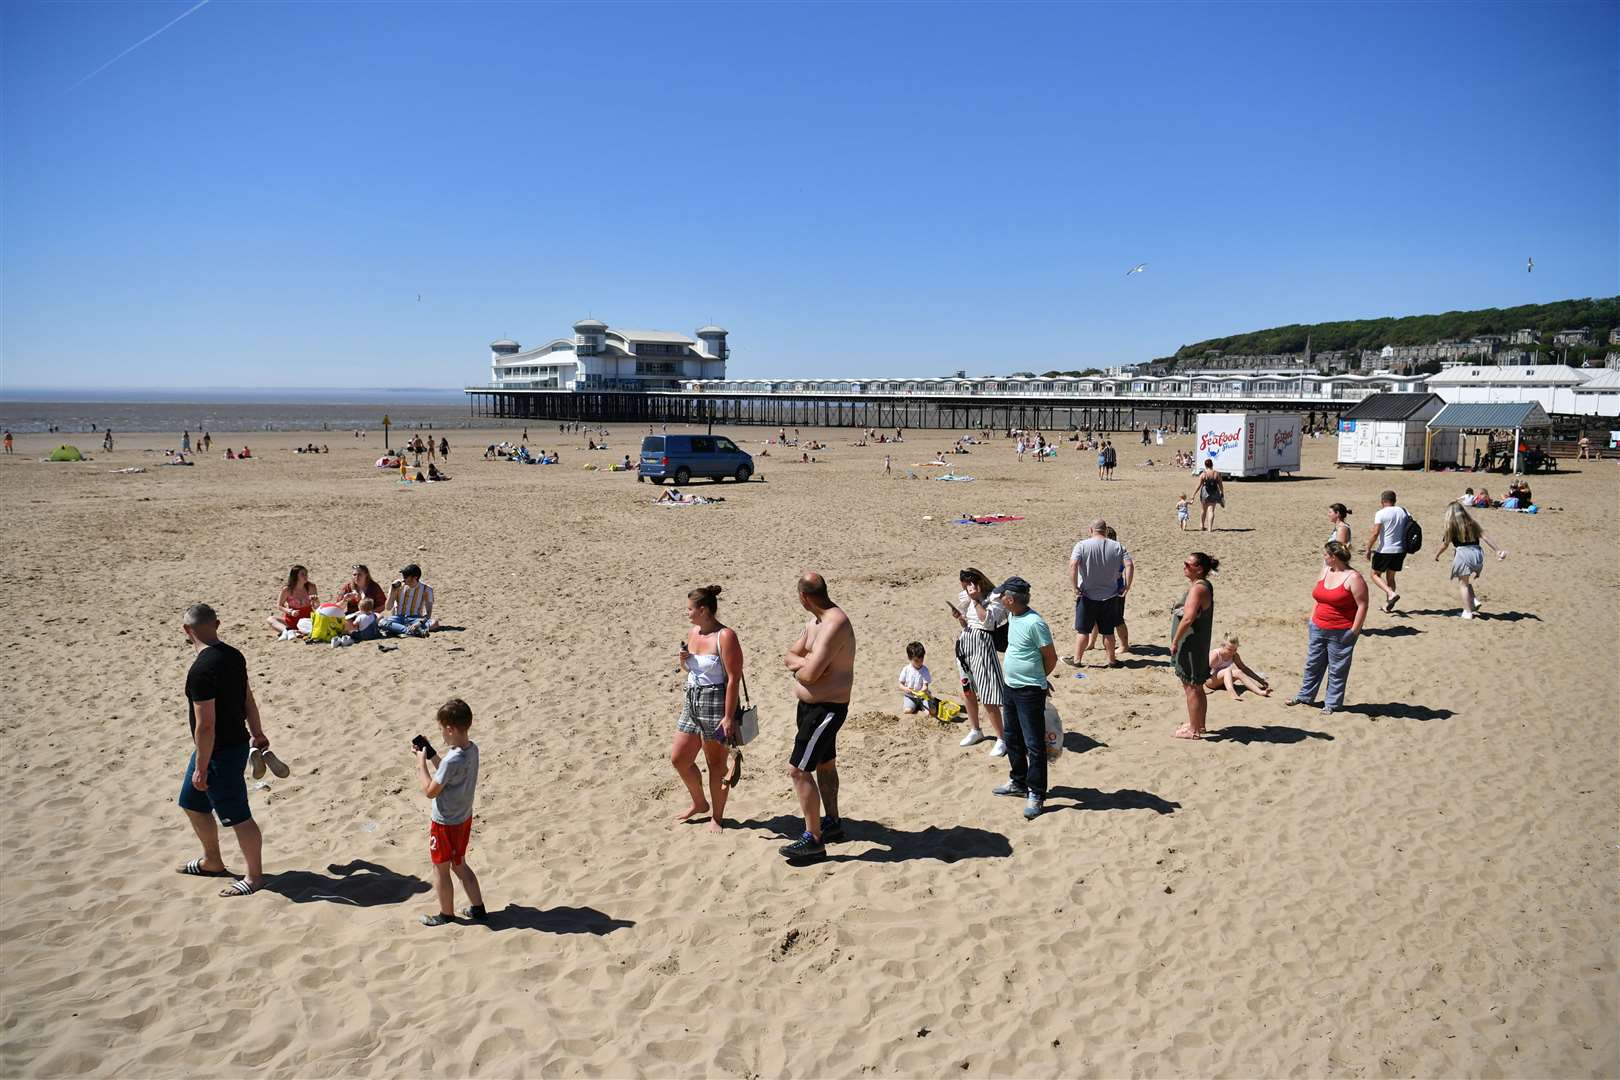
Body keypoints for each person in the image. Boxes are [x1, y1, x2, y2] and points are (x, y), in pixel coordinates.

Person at [175, 603, 273, 897]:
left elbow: (206, 725)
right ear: (216, 624)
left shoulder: (201, 670)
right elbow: (248, 699)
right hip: (220, 749)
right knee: (192, 803)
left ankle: (254, 877)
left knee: (238, 816)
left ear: (186, 630)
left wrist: (202, 768)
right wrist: (257, 731)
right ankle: (212, 861)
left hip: (221, 752)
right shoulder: (233, 656)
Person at [780, 572, 856, 861]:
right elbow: (790, 655)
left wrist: (804, 667)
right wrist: (806, 664)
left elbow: (810, 675)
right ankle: (833, 824)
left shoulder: (834, 624)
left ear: (803, 597)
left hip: (827, 709)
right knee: (825, 763)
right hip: (810, 708)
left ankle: (813, 838)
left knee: (798, 769)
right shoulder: (814, 621)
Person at [671, 584, 745, 832]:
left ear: (703, 610)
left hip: (715, 702)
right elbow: (691, 669)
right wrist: (684, 662)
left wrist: (728, 716)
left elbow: (734, 678)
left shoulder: (725, 636)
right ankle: (699, 803)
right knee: (680, 758)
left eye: (690, 609)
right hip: (691, 699)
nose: (687, 613)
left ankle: (717, 816)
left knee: (715, 764)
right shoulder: (694, 632)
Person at [989, 577, 1057, 820]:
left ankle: (1036, 793)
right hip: (1011, 688)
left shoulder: (1035, 623)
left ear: (1010, 599)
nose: (999, 599)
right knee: (1012, 737)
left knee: (1034, 745)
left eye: (1002, 597)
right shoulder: (1014, 617)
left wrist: (1038, 678)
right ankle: (1018, 781)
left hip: (1029, 692)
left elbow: (1050, 657)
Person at [414, 698, 486, 926]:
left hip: (445, 823)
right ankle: (478, 909)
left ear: (450, 729)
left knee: (440, 868)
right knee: (460, 864)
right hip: (463, 818)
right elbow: (448, 771)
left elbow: (430, 791)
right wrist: (432, 754)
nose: (442, 735)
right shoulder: (471, 749)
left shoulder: (452, 760)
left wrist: (420, 763)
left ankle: (446, 914)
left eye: (442, 730)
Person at [1287, 541, 1369, 715]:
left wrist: (1354, 631)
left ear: (1334, 557)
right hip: (1318, 626)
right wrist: (1311, 619)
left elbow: (1363, 606)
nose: (1323, 557)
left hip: (1341, 631)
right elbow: (1318, 598)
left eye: (1325, 555)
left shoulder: (1354, 578)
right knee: (1312, 664)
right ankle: (1305, 696)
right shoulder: (1325, 571)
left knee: (1337, 669)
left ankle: (1332, 704)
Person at [948, 568, 1007, 755]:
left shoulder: (993, 599)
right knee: (968, 690)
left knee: (987, 693)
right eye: (964, 586)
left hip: (983, 646)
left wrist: (976, 599)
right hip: (966, 645)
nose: (966, 589)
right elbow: (969, 622)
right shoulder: (967, 598)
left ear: (978, 584)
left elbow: (987, 622)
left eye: (968, 585)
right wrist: (961, 619)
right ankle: (976, 730)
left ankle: (1001, 737)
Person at [1169, 552, 1219, 739]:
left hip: (1191, 644)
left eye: (1187, 564)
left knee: (1191, 686)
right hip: (1196, 643)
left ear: (1199, 569)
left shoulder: (1198, 588)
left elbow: (1189, 618)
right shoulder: (1203, 585)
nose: (1184, 566)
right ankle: (1199, 724)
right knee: (1197, 686)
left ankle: (1194, 730)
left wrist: (1175, 641)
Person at [1069, 519, 1128, 668]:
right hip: (1110, 595)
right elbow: (1130, 565)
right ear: (1106, 530)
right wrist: (1127, 585)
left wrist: (1075, 586)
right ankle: (1112, 660)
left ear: (1091, 530)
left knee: (1083, 630)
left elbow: (1073, 565)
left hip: (1088, 594)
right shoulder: (1118, 546)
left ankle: (1077, 660)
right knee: (1108, 631)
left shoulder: (1081, 545)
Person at [1433, 501, 1508, 618]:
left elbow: (1445, 544)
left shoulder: (1451, 526)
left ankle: (1467, 612)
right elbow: (1485, 537)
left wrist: (1437, 555)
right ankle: (1473, 600)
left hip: (1463, 555)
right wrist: (1498, 550)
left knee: (1463, 584)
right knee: (1466, 582)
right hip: (1477, 555)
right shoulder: (1472, 523)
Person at [1363, 489, 1410, 613]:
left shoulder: (1381, 513)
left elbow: (1375, 533)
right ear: (1395, 500)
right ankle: (1387, 605)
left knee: (1374, 574)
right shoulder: (1403, 511)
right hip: (1400, 550)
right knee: (1391, 577)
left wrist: (1368, 548)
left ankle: (1391, 593)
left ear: (1382, 501)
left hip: (1385, 550)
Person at [1205, 633, 1271, 701]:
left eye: (1235, 650)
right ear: (1223, 646)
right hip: (1210, 681)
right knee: (1227, 670)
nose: (1232, 652)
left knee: (1238, 672)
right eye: (1229, 649)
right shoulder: (1215, 655)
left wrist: (1260, 680)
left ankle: (1260, 692)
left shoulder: (1234, 655)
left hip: (1224, 681)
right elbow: (1202, 670)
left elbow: (1244, 668)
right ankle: (1231, 692)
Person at [381, 563, 436, 637]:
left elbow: (428, 614)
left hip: (415, 618)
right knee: (382, 622)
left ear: (415, 578)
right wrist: (393, 591)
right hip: (398, 617)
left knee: (435, 623)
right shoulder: (398, 586)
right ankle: (410, 631)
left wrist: (419, 623)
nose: (403, 579)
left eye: (406, 576)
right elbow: (388, 607)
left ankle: (398, 630)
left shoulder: (427, 589)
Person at [267, 565, 318, 637]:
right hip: (292, 620)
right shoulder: (287, 590)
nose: (306, 576)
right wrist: (289, 611)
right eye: (302, 574)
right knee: (270, 619)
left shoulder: (311, 587)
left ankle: (291, 632)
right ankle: (289, 631)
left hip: (308, 620)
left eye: (306, 574)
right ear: (295, 576)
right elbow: (279, 605)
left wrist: (316, 601)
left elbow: (316, 607)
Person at [898, 642, 931, 713]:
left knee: (929, 712)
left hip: (923, 697)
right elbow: (900, 684)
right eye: (916, 661)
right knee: (908, 711)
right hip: (910, 697)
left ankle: (922, 706)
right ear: (909, 658)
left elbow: (925, 686)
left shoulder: (925, 670)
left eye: (921, 660)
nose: (919, 663)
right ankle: (914, 706)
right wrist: (905, 688)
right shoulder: (906, 669)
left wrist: (922, 691)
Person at [1197, 459, 1224, 531]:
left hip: (1205, 492)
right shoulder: (1217, 473)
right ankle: (1210, 528)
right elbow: (1220, 485)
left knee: (1203, 510)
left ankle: (1202, 525)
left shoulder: (1203, 474)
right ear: (1212, 464)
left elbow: (1199, 485)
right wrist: (1222, 493)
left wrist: (1194, 494)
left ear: (1205, 465)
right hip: (1214, 492)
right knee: (1211, 510)